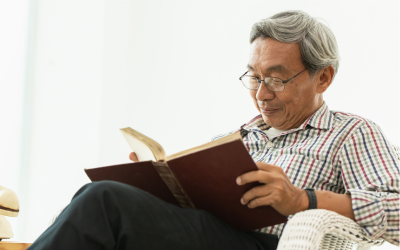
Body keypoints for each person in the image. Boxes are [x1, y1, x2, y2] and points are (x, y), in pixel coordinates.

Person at [27, 10, 399, 250]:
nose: (261, 94)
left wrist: (301, 199)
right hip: (207, 233)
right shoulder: (241, 135)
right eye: (253, 78)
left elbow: (396, 210)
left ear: (324, 77)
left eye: (276, 79)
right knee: (100, 195)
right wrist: (153, 182)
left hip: (265, 244)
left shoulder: (350, 133)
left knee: (105, 201)